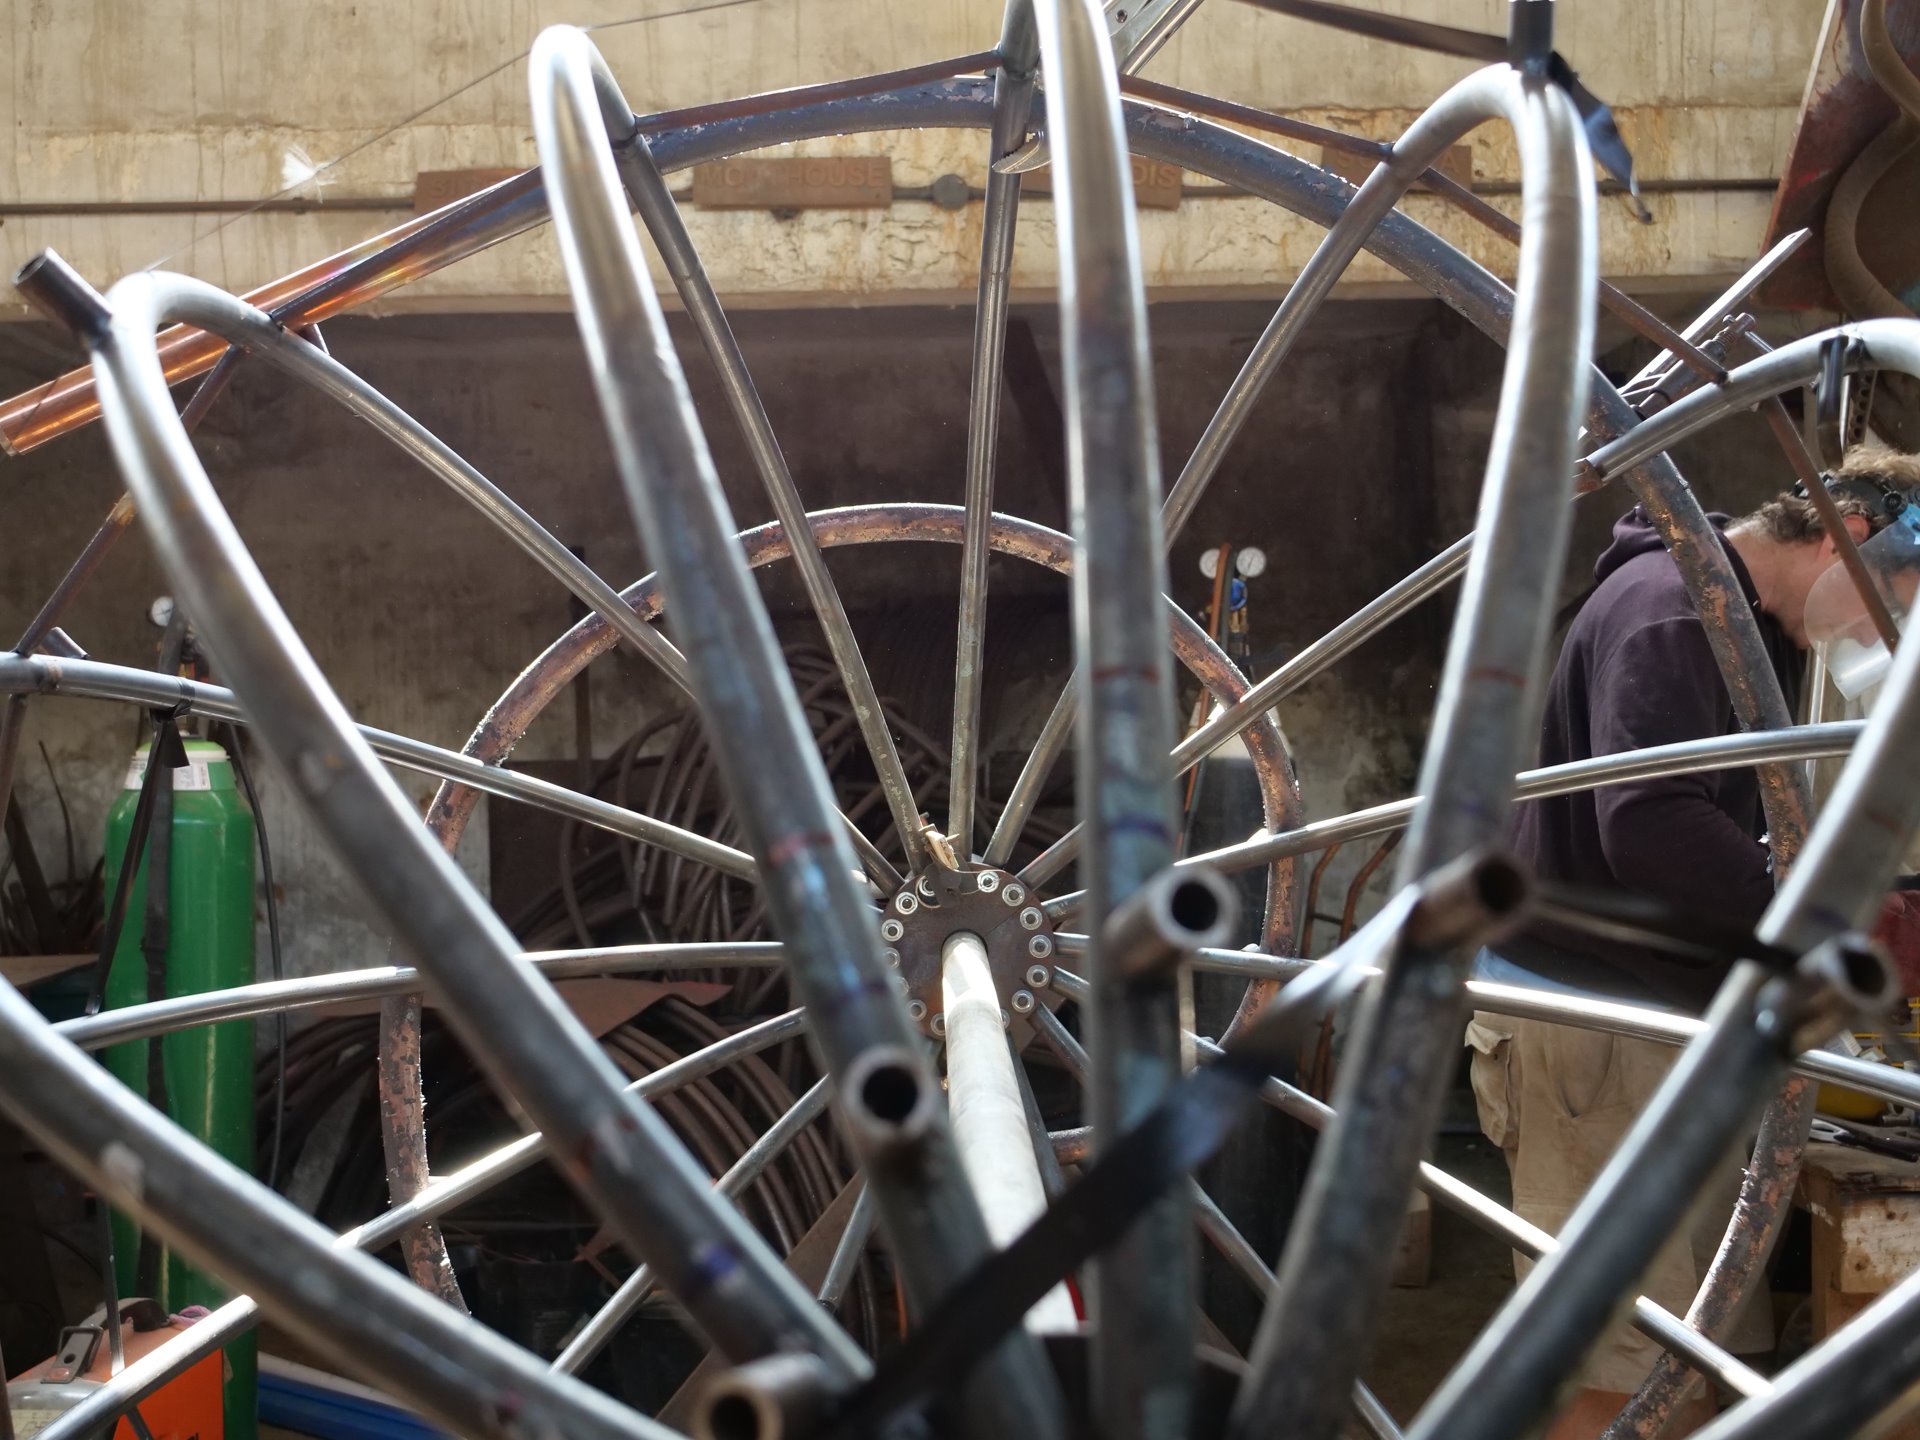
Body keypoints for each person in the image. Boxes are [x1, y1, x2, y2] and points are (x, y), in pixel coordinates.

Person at [1466, 444, 1920, 1440]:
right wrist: (1817, 919)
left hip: (1643, 1024)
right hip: (1596, 1026)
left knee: (1676, 1362)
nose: (1874, 632)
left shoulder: (1733, 620)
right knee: (1621, 1372)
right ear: (1844, 537)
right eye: (1892, 598)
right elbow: (1654, 824)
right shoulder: (1677, 609)